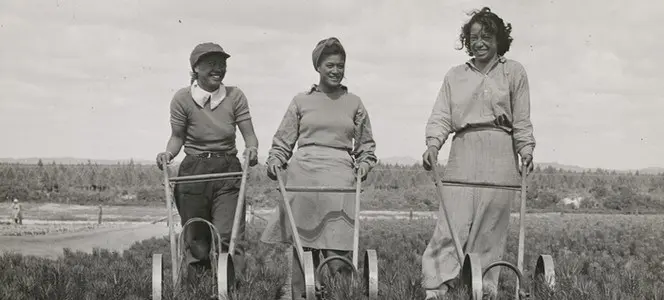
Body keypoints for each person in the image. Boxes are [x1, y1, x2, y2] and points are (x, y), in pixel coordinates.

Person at [421, 7, 535, 299]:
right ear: (466, 42)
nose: (480, 42)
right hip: (464, 150)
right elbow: (442, 116)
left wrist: (526, 149)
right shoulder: (455, 76)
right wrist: (433, 144)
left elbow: (521, 119)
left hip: (500, 152)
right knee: (452, 223)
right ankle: (436, 288)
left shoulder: (514, 71)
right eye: (473, 37)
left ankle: (481, 290)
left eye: (487, 36)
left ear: (499, 39)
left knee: (490, 230)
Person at [260, 37, 377, 299]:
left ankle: (339, 295)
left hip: (340, 181)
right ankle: (301, 296)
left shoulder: (354, 103)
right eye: (330, 65)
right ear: (318, 67)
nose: (336, 71)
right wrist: (276, 161)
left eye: (340, 65)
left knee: (338, 252)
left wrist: (365, 165)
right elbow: (282, 143)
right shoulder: (301, 101)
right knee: (304, 251)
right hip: (303, 178)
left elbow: (366, 148)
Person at [155, 42, 259, 274]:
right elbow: (177, 137)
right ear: (196, 68)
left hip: (228, 170)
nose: (218, 69)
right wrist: (168, 154)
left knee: (228, 236)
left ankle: (233, 289)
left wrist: (251, 150)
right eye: (211, 64)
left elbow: (250, 136)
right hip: (194, 171)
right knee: (197, 239)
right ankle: (197, 290)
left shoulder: (235, 96)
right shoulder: (182, 98)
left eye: (222, 64)